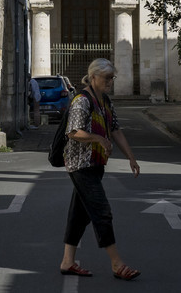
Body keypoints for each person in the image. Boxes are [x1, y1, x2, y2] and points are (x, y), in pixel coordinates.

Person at [59, 58, 141, 281]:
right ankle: (117, 264)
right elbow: (73, 132)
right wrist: (98, 138)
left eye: (112, 78)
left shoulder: (105, 101)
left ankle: (67, 261)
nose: (110, 82)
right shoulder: (81, 101)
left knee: (79, 215)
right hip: (80, 166)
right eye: (107, 78)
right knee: (102, 212)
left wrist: (131, 158)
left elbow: (115, 130)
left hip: (96, 164)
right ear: (93, 77)